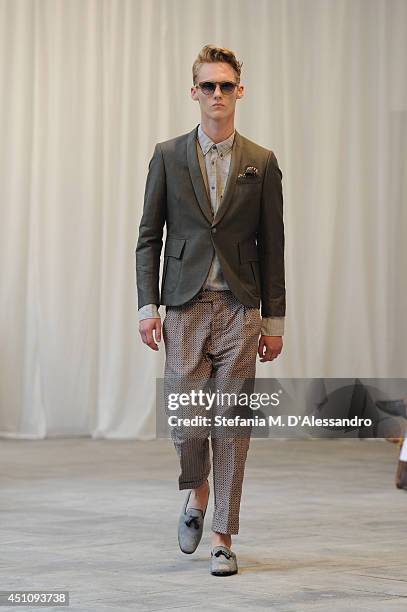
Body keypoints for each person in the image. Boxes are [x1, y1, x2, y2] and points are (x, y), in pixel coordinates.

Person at [135, 44, 286, 576]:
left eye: (226, 85)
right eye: (208, 86)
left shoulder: (261, 162)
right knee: (187, 421)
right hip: (183, 307)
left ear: (238, 91)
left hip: (241, 310)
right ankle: (196, 492)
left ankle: (223, 535)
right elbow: (149, 237)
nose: (217, 94)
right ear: (194, 91)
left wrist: (274, 320)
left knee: (232, 426)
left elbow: (274, 245)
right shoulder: (168, 155)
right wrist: (146, 306)